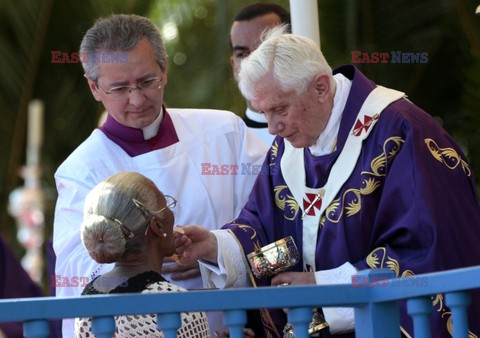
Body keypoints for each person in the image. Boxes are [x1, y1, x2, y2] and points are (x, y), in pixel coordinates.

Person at [174, 26, 480, 338]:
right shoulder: (286, 148)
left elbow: (427, 253)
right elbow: (270, 235)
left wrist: (322, 286)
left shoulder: (403, 133)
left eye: (279, 109)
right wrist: (216, 247)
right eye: (264, 113)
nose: (272, 127)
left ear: (321, 88)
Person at [53, 14, 267, 337]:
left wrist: (217, 252)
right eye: (120, 88)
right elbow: (76, 277)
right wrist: (146, 261)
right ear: (94, 87)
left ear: (164, 69)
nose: (137, 100)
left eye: (146, 82)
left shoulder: (225, 133)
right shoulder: (80, 170)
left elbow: (272, 220)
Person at [74, 172, 210, 337]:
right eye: (166, 204)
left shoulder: (87, 300)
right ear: (157, 226)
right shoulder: (179, 306)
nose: (171, 212)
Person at [230, 3, 290, 146]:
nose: (252, 62)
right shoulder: (229, 146)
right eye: (243, 54)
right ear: (233, 65)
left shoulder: (333, 127)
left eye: (264, 49)